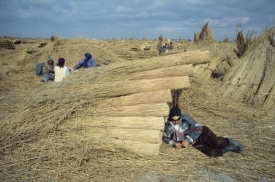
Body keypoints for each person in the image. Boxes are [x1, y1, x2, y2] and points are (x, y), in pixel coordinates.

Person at [162, 107, 243, 157]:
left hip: (202, 133)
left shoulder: (185, 118)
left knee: (217, 143)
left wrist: (187, 140)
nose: (176, 122)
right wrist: (174, 143)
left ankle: (229, 141)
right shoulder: (169, 126)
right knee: (212, 153)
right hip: (195, 142)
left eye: (177, 120)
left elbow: (198, 127)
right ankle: (228, 148)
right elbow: (165, 137)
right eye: (174, 120)